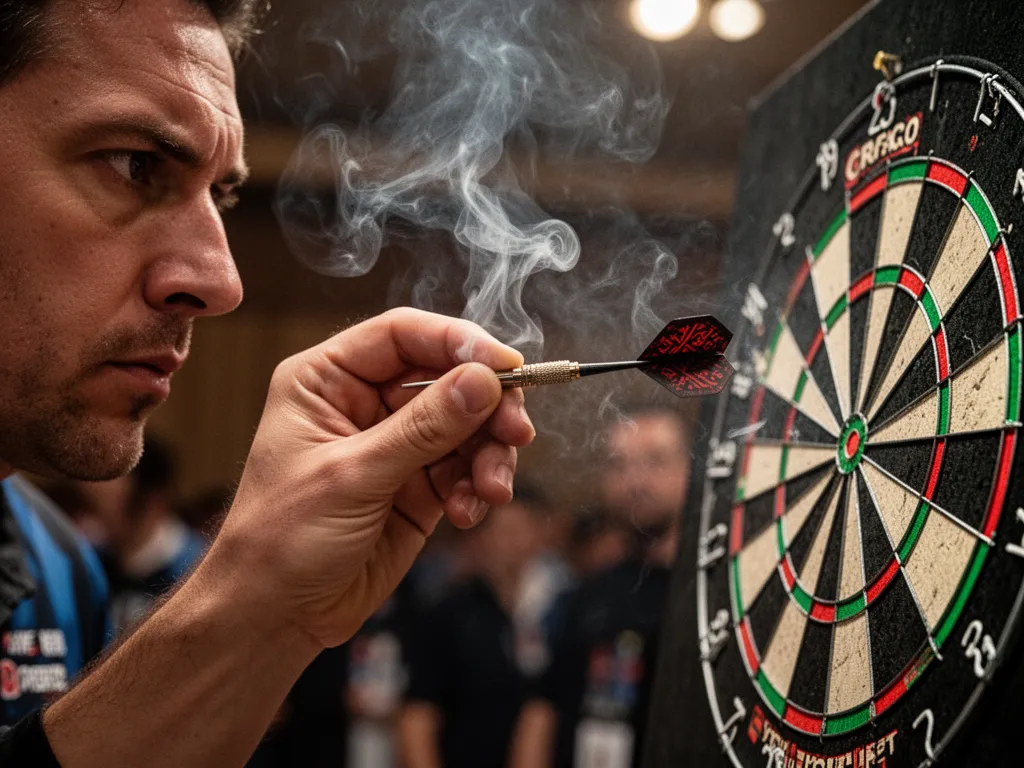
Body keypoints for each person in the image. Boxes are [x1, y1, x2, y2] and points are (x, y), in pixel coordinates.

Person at [0, 1, 535, 765]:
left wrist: (275, 610)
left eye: (220, 197)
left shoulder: (57, 566)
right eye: (134, 165)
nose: (221, 282)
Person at [511, 406, 691, 768]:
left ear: (690, 471)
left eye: (654, 461)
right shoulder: (584, 597)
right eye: (618, 465)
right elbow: (542, 711)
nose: (635, 481)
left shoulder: (712, 598)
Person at [398, 489, 546, 768]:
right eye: (506, 531)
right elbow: (417, 717)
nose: (516, 542)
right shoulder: (450, 614)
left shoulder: (551, 610)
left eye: (525, 529)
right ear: (483, 538)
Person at [72, 437, 206, 633]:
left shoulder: (195, 568)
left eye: (108, 506)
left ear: (152, 500)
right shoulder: (93, 560)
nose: (90, 521)